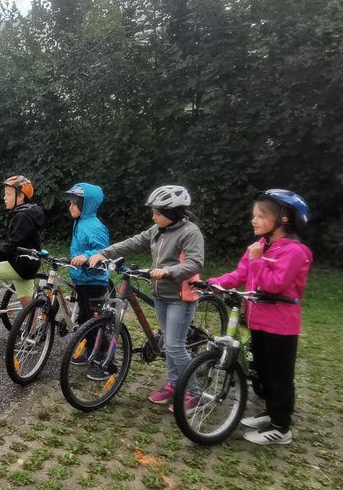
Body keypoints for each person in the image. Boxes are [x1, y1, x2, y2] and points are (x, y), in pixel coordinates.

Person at [208, 189, 312, 446]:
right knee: (263, 372)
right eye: (254, 215)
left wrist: (256, 259)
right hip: (258, 321)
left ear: (285, 219)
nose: (254, 220)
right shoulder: (261, 246)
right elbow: (239, 275)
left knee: (279, 375)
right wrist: (210, 283)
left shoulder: (295, 251)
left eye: (261, 216)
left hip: (281, 326)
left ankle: (281, 426)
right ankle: (270, 413)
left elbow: (274, 285)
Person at [88, 185, 204, 401]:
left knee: (175, 346)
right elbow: (132, 243)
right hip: (161, 295)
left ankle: (194, 394)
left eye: (157, 213)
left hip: (181, 296)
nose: (153, 216)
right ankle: (173, 384)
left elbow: (195, 263)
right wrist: (104, 253)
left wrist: (169, 271)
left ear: (172, 213)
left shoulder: (190, 232)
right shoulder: (157, 230)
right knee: (169, 343)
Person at [0, 175, 44, 320]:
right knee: (27, 305)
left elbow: (13, 245)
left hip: (21, 263)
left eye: (8, 194)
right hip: (29, 263)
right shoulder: (26, 213)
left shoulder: (22, 216)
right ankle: (33, 334)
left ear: (20, 196)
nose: (4, 197)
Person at [68, 183, 111, 326]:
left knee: (93, 323)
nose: (70, 207)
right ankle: (86, 344)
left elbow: (103, 250)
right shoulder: (80, 222)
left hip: (93, 281)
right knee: (84, 319)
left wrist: (86, 256)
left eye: (75, 204)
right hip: (82, 279)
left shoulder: (95, 226)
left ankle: (99, 347)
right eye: (70, 203)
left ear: (87, 205)